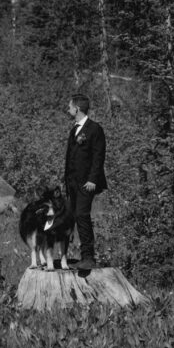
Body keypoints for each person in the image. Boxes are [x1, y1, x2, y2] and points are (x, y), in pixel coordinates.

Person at [64, 93, 107, 272]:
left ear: (77, 108)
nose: (68, 109)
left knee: (82, 215)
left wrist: (92, 180)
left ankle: (88, 257)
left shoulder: (94, 129)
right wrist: (65, 182)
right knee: (69, 217)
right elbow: (70, 158)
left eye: (70, 106)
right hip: (72, 184)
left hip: (86, 183)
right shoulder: (74, 129)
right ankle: (66, 255)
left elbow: (98, 156)